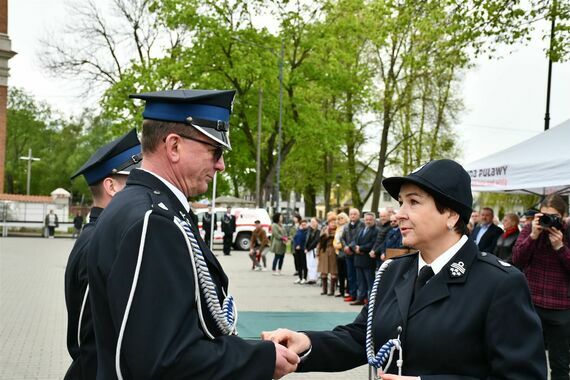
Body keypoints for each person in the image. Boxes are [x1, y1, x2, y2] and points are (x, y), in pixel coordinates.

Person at [263, 159, 546, 379]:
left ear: (450, 214)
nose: (399, 214)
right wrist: (306, 342)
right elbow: (362, 337)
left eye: (413, 202)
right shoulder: (392, 272)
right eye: (401, 202)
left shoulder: (499, 284)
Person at [88, 90, 299, 379]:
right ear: (174, 146)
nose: (221, 164)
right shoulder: (155, 221)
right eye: (216, 151)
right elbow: (164, 361)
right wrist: (259, 358)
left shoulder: (143, 207)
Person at [64, 129, 142, 380]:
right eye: (134, 179)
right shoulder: (97, 242)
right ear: (111, 186)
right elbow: (85, 337)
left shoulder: (102, 234)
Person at [513, 194, 570, 380]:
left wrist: (561, 247)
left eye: (554, 217)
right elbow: (517, 260)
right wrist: (532, 237)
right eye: (544, 215)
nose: (549, 220)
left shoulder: (568, 232)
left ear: (563, 216)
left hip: (561, 307)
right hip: (531, 302)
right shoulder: (530, 229)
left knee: (560, 362)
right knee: (526, 356)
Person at [350, 212, 379, 306]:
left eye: (370, 219)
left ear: (374, 220)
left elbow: (373, 243)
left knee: (369, 281)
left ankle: (370, 301)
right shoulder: (361, 229)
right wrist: (355, 248)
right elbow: (353, 241)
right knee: (360, 281)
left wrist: (361, 248)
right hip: (358, 259)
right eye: (366, 219)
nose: (368, 221)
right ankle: (360, 298)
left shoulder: (376, 231)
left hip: (368, 260)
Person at [340, 208, 363, 302]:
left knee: (359, 277)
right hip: (347, 255)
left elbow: (357, 238)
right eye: (351, 214)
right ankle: (352, 294)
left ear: (358, 215)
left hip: (357, 254)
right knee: (350, 276)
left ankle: (360, 296)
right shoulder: (346, 226)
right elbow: (342, 238)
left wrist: (349, 247)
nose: (353, 216)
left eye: (355, 214)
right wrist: (345, 247)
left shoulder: (362, 225)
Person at [318, 215, 338, 296]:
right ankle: (324, 289)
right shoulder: (324, 230)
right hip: (324, 251)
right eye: (331, 222)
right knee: (323, 271)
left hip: (333, 251)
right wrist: (318, 252)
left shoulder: (338, 231)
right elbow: (320, 242)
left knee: (333, 271)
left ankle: (332, 290)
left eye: (334, 222)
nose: (332, 224)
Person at [333, 212, 349, 297]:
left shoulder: (346, 227)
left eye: (341, 218)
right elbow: (335, 239)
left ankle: (347, 290)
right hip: (338, 252)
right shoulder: (338, 228)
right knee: (340, 273)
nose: (339, 220)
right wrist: (335, 245)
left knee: (346, 272)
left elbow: (345, 240)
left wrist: (338, 246)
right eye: (338, 218)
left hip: (344, 251)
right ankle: (341, 290)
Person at [305, 217, 321, 284]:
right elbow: (307, 239)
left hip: (314, 249)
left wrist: (309, 249)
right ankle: (311, 277)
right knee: (309, 264)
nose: (312, 223)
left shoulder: (318, 231)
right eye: (311, 222)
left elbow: (316, 241)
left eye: (314, 222)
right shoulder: (309, 230)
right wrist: (306, 248)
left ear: (317, 222)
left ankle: (314, 278)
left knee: (314, 264)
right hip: (308, 249)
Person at [293, 219, 309, 283]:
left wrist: (300, 245)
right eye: (302, 225)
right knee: (298, 264)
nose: (303, 226)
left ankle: (304, 278)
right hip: (297, 249)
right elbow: (295, 238)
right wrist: (296, 245)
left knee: (304, 264)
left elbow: (304, 239)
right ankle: (300, 277)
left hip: (303, 249)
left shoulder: (307, 231)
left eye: (304, 225)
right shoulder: (299, 231)